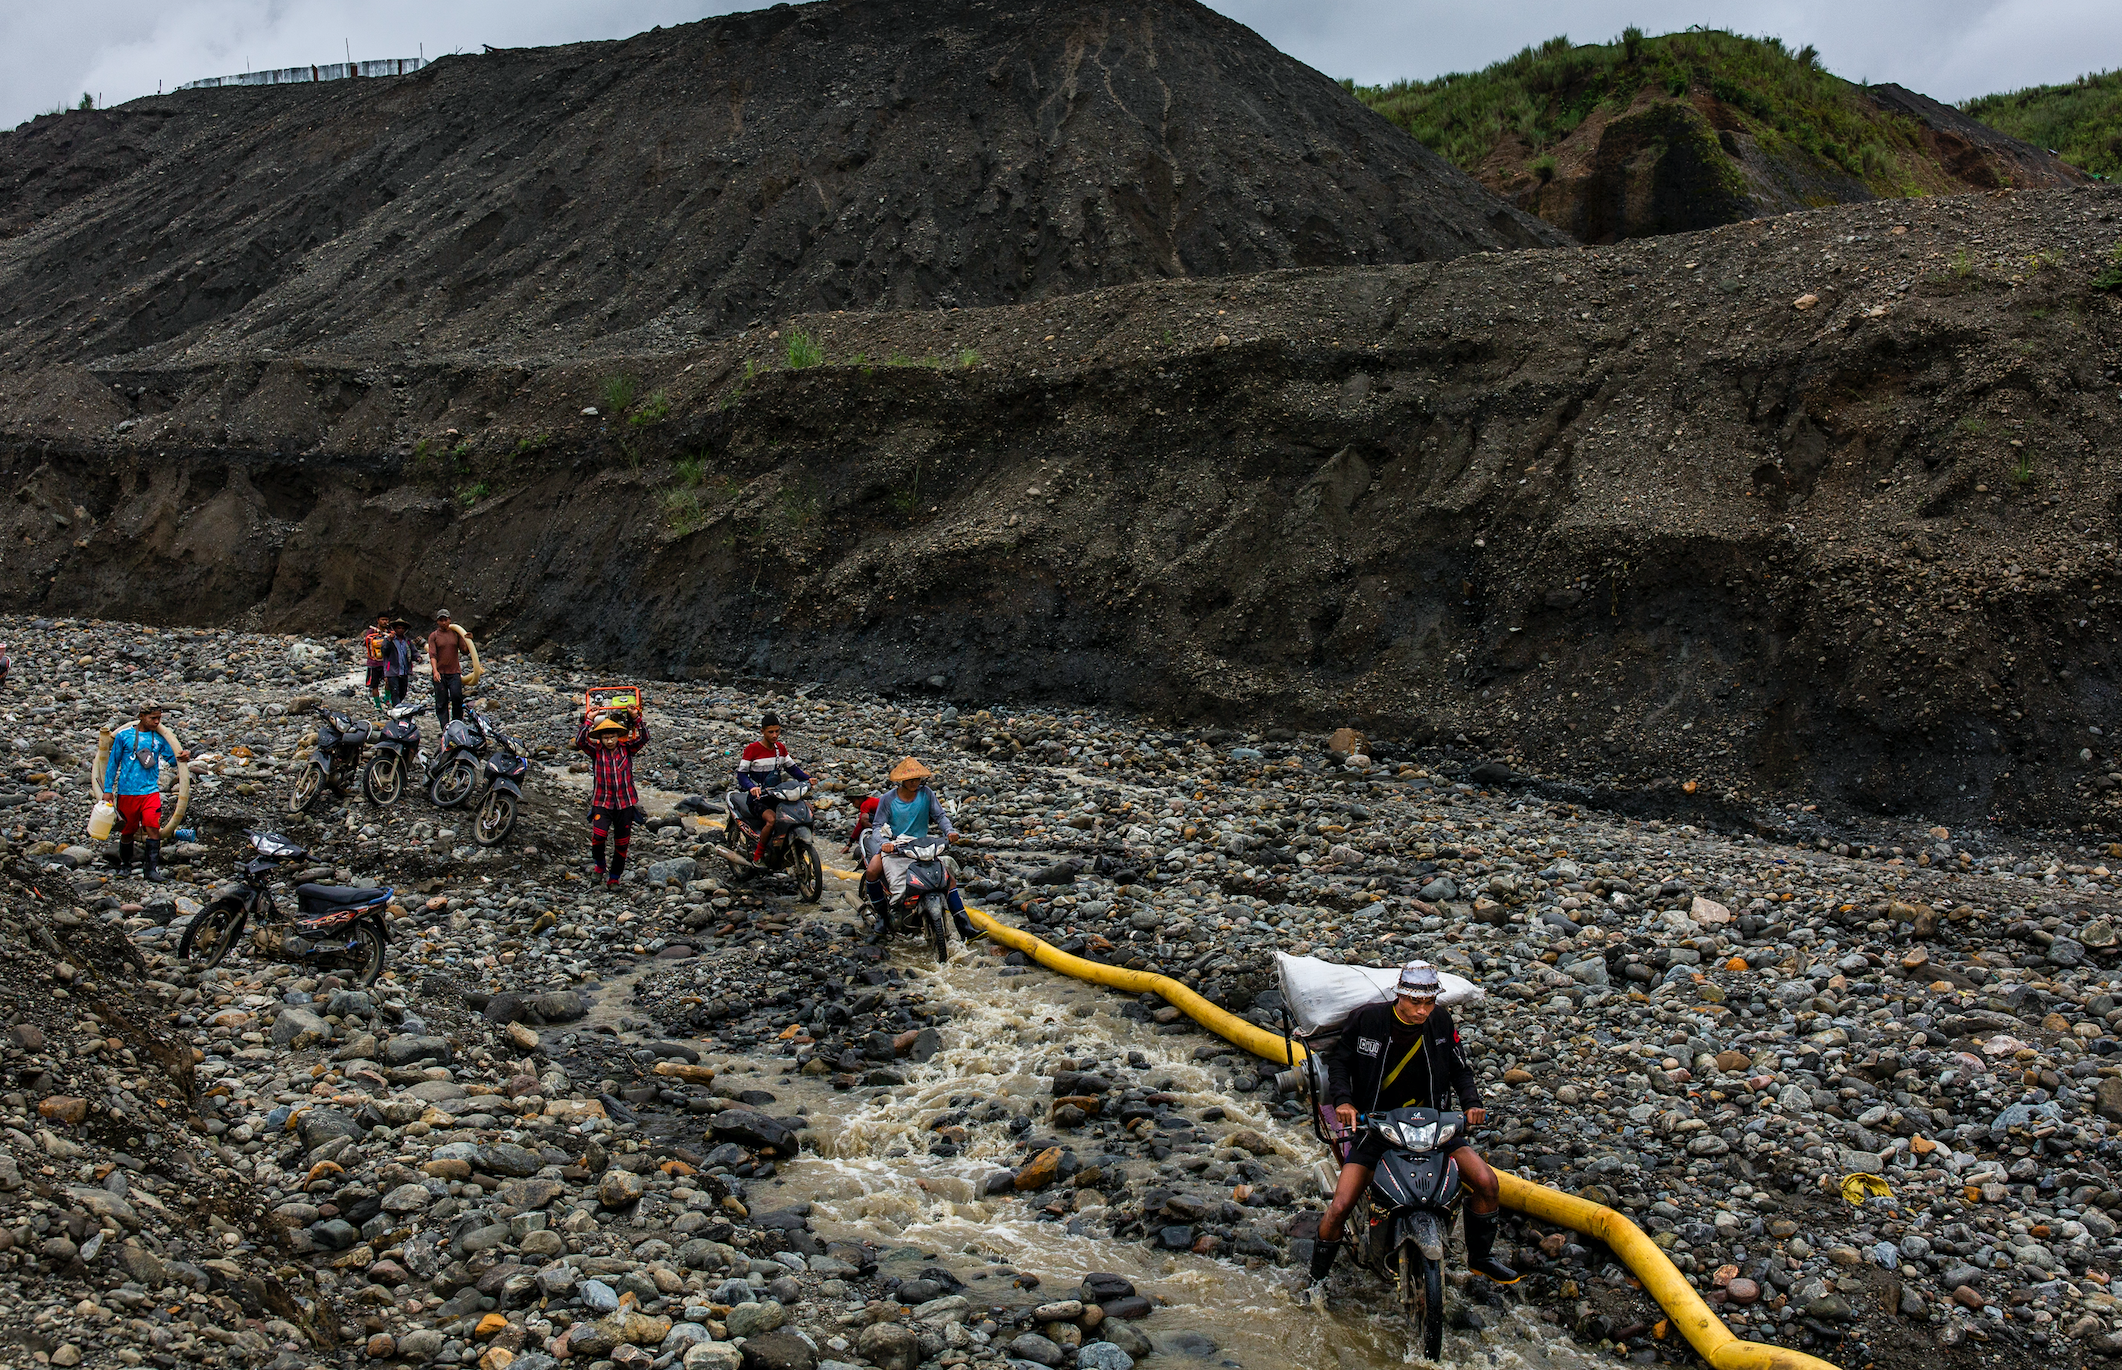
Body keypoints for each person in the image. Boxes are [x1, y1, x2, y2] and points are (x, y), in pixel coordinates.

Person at [1309, 961, 1517, 1298]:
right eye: (1415, 1003)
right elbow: (1341, 1062)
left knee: (1486, 1182)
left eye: (1429, 1003)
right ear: (1399, 995)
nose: (1422, 1011)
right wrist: (1345, 1102)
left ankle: (1481, 1257)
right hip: (1376, 1127)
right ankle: (1315, 1280)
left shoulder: (1441, 1021)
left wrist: (1471, 1104)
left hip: (1433, 1126)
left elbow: (1459, 1068)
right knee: (1340, 1205)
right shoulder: (1368, 1020)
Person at [861, 757, 975, 942]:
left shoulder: (926, 794)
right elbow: (877, 826)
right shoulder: (888, 799)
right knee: (872, 871)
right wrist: (884, 842)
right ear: (902, 780)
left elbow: (940, 816)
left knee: (950, 881)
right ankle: (882, 919)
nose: (915, 783)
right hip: (896, 845)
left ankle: (965, 927)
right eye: (911, 780)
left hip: (922, 845)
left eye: (917, 779)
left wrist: (950, 831)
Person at [102, 701, 190, 882]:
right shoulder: (124, 736)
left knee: (153, 828)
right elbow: (113, 764)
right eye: (153, 718)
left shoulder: (159, 739)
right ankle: (125, 865)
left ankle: (150, 870)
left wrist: (184, 756)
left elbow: (173, 760)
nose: (157, 722)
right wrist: (108, 790)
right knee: (127, 831)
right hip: (127, 792)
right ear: (141, 716)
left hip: (150, 792)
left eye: (159, 718)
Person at [574, 708, 647, 888]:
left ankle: (614, 877)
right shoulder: (596, 751)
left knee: (622, 844)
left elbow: (644, 738)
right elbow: (580, 741)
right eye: (605, 737)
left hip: (625, 803)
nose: (609, 741)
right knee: (598, 837)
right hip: (602, 802)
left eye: (612, 737)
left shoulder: (627, 749)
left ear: (617, 737)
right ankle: (600, 866)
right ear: (601, 738)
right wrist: (589, 720)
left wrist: (636, 718)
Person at [735, 712, 813, 866]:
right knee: (771, 820)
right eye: (771, 732)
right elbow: (741, 775)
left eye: (777, 731)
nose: (775, 735)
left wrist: (807, 779)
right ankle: (758, 856)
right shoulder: (752, 749)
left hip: (777, 795)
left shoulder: (780, 749)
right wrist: (752, 788)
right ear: (762, 731)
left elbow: (793, 769)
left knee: (807, 810)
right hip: (758, 798)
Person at [427, 610, 467, 729]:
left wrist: (468, 640)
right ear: (437, 621)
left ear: (450, 620)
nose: (444, 622)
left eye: (446, 620)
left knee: (457, 697)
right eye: (441, 620)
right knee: (441, 701)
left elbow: (465, 651)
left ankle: (457, 724)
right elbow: (432, 655)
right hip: (440, 673)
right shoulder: (434, 636)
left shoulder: (456, 633)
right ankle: (444, 727)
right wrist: (435, 671)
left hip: (454, 672)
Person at [379, 619, 419, 706]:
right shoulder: (388, 640)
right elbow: (384, 651)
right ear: (395, 629)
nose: (400, 630)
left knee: (403, 691)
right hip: (393, 671)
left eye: (402, 628)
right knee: (395, 691)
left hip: (404, 670)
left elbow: (413, 652)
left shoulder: (407, 641)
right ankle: (397, 708)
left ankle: (397, 706)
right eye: (398, 628)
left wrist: (417, 657)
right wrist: (389, 640)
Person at [361, 613, 392, 713]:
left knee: (389, 681)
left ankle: (387, 699)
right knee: (374, 685)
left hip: (386, 662)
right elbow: (367, 642)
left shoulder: (390, 632)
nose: (385, 622)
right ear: (378, 620)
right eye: (383, 620)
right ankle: (377, 704)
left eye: (386, 620)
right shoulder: (371, 632)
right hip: (373, 663)